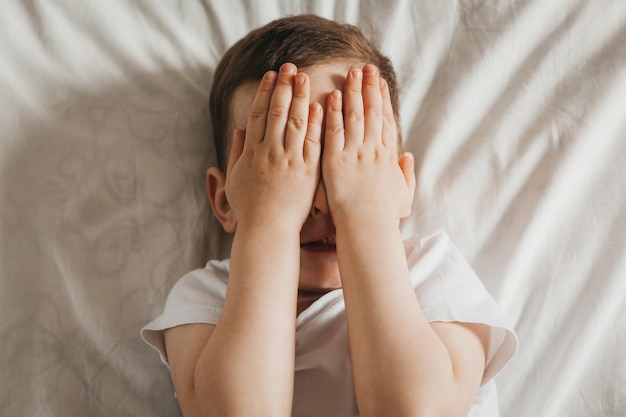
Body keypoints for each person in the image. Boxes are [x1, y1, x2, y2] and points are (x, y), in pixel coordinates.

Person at [142, 14, 517, 417]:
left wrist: (365, 212)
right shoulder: (207, 298)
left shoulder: (430, 273)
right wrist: (271, 220)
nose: (321, 200)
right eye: (285, 166)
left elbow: (416, 410)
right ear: (226, 200)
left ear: (401, 184)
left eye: (346, 163)